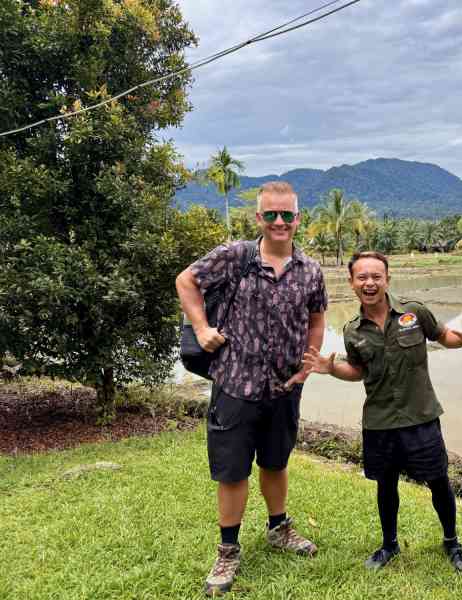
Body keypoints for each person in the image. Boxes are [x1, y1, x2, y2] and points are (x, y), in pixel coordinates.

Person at [176, 181, 327, 596]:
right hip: (235, 383)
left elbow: (317, 320)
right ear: (258, 218)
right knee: (232, 470)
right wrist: (202, 327)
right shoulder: (234, 257)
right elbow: (186, 281)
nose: (280, 221)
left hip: (284, 387)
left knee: (276, 462)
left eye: (287, 215)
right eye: (271, 214)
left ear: (298, 219)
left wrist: (309, 365)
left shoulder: (311, 270)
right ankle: (228, 549)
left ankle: (279, 528)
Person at [302, 251, 462, 576]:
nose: (369, 283)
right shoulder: (352, 330)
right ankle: (389, 544)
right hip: (380, 421)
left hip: (421, 417)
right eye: (362, 277)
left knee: (438, 481)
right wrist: (331, 369)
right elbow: (358, 371)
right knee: (385, 485)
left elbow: (445, 336)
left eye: (376, 276)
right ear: (352, 283)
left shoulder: (414, 312)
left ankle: (452, 542)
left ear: (387, 279)